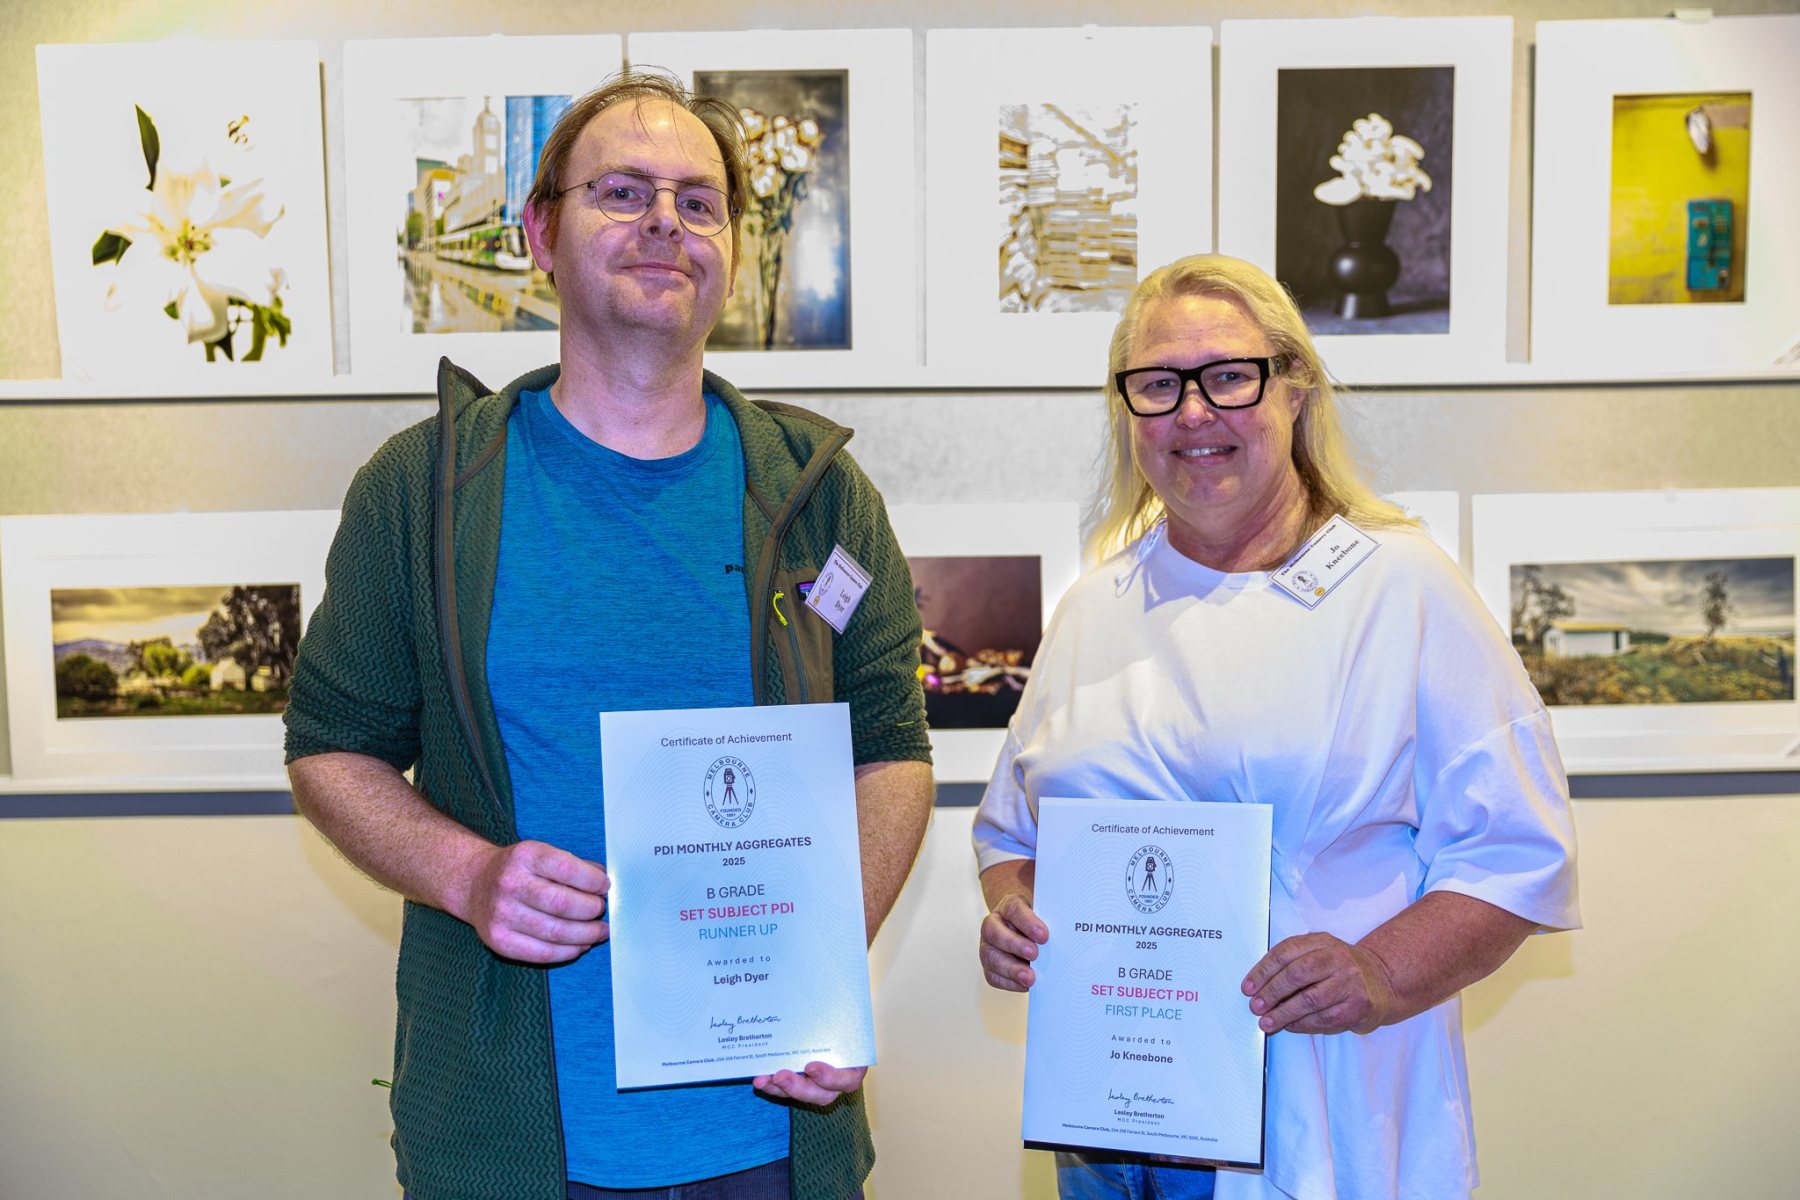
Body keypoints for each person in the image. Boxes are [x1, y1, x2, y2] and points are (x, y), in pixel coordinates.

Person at [285, 71, 934, 1200]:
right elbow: (330, 747)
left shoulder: (819, 496)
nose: (665, 225)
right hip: (513, 1143)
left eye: (698, 202)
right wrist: (468, 874)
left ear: (730, 248)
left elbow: (888, 752)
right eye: (623, 192)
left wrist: (825, 962)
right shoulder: (426, 490)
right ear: (541, 233)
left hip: (773, 1140)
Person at [972, 255, 1579, 1200]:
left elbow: (1518, 851)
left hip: (1318, 1113)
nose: (1193, 413)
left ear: (1296, 388)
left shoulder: (1401, 586)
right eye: (1158, 384)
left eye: (1228, 376)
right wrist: (1015, 918)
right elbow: (1013, 836)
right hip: (1111, 1125)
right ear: (1125, 408)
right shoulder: (1095, 605)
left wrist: (1377, 973)